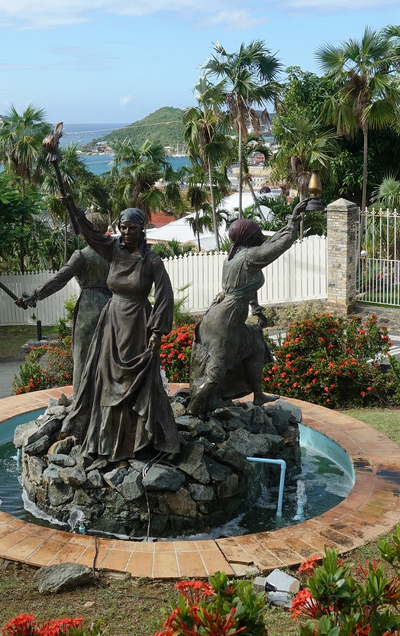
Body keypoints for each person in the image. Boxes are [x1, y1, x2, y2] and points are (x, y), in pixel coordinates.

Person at [58, 198, 180, 462]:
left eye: (131, 228)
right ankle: (104, 441)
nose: (126, 233)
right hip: (112, 322)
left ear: (141, 229)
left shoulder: (151, 260)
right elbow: (90, 234)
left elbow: (164, 295)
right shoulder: (113, 250)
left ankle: (139, 441)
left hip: (138, 323)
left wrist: (157, 331)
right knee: (106, 379)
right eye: (122, 227)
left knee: (138, 381)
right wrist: (74, 210)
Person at [188, 203, 307, 414]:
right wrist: (293, 221)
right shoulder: (250, 258)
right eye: (257, 232)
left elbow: (246, 286)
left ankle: (258, 395)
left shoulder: (234, 257)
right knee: (216, 371)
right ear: (248, 238)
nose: (261, 235)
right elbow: (278, 246)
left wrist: (257, 309)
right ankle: (193, 411)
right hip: (225, 322)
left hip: (220, 315)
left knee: (256, 343)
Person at [15, 217, 111, 395]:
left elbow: (58, 280)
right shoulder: (113, 253)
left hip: (89, 309)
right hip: (113, 307)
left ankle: (82, 399)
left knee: (83, 355)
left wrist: (33, 296)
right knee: (110, 354)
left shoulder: (82, 255)